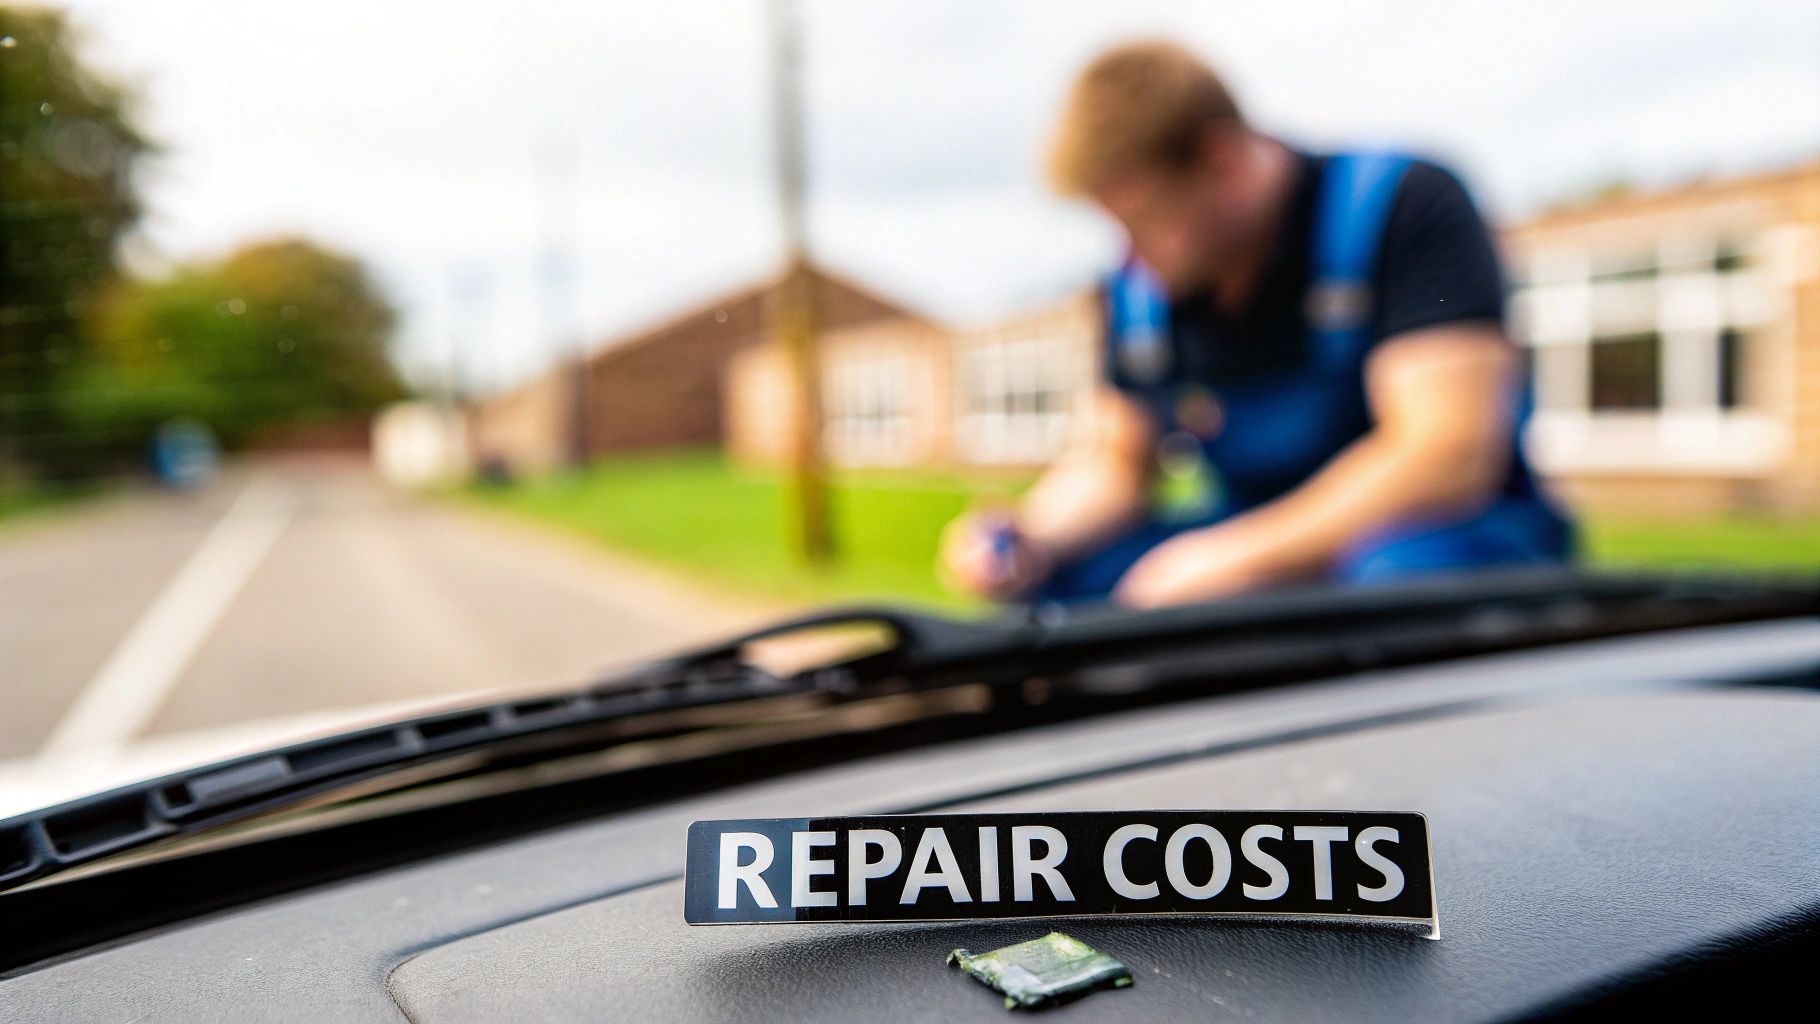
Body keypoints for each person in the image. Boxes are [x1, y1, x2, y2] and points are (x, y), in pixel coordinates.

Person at [940, 40, 1573, 609]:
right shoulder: (1138, 295)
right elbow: (1117, 462)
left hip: (1439, 536)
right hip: (1249, 526)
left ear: (1219, 161)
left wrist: (1239, 557)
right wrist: (1033, 538)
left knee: (1395, 579)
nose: (1128, 255)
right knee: (1064, 584)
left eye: (1144, 220)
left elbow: (1444, 455)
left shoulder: (1403, 206)